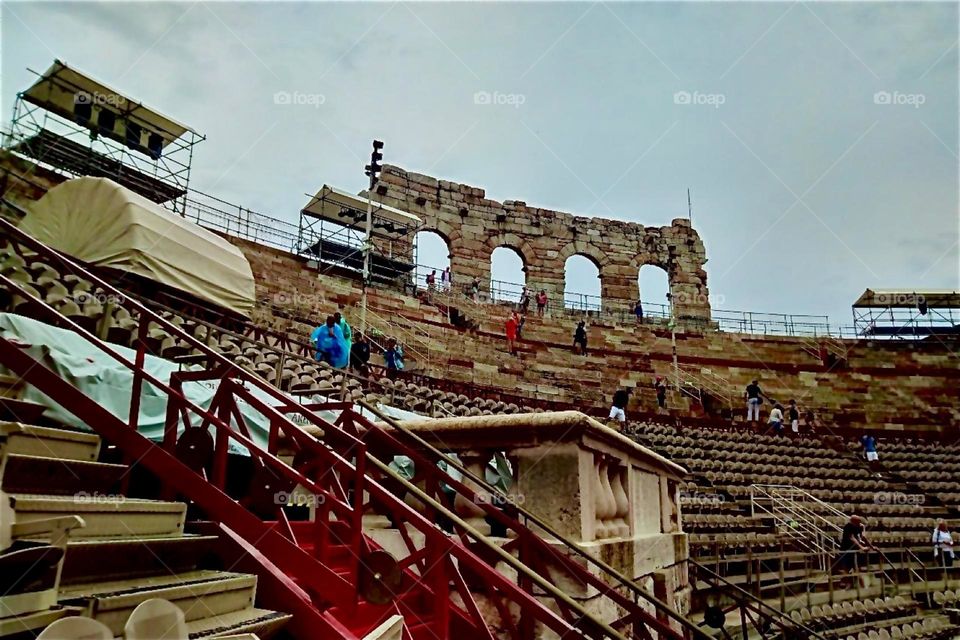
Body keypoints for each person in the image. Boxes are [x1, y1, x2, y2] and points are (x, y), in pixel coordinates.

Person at [837, 515, 873, 586]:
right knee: (848, 569)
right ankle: (847, 584)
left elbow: (863, 537)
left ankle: (860, 586)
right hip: (846, 550)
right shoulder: (848, 527)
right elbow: (852, 538)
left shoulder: (860, 526)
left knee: (856, 569)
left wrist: (871, 546)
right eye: (856, 523)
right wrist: (862, 547)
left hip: (854, 550)